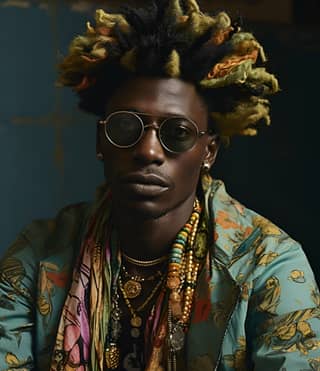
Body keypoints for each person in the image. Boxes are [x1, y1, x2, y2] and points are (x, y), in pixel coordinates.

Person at [0, 1, 319, 370]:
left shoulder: (268, 264)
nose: (148, 151)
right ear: (101, 141)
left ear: (209, 151)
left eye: (178, 133)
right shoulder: (37, 255)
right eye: (125, 127)